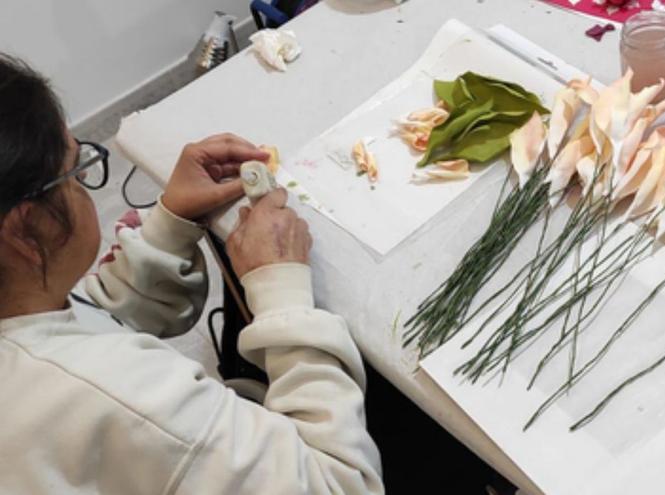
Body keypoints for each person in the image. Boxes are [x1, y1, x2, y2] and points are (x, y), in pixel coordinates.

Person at [0, 54, 383, 494]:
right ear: (28, 230)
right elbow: (339, 484)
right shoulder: (122, 402)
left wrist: (169, 224)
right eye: (75, 173)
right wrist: (282, 292)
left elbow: (83, 326)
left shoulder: (22, 320)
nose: (83, 180)